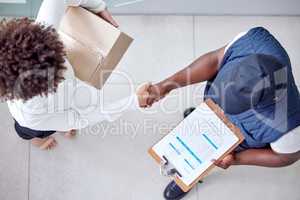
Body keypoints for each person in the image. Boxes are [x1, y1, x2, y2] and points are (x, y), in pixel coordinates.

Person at [142, 27, 300, 200]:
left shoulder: (291, 129)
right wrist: (166, 85)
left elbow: (285, 158)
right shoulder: (253, 42)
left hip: (235, 142)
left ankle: (189, 177)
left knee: (200, 161)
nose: (221, 112)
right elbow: (215, 60)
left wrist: (237, 159)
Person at [0, 0, 150, 150]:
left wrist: (98, 7)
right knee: (27, 131)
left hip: (55, 109)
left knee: (61, 121)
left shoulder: (39, 36)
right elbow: (79, 117)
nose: (62, 64)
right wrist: (133, 101)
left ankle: (60, 125)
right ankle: (36, 139)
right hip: (33, 124)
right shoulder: (31, 117)